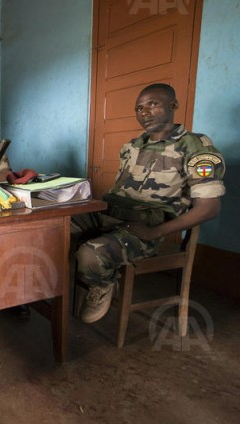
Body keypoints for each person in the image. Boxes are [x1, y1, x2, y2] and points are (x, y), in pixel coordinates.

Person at [74, 83, 226, 324]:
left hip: (146, 228)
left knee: (91, 253)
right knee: (54, 230)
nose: (144, 112)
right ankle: (53, 295)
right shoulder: (132, 147)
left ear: (173, 105)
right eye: (139, 108)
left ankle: (102, 284)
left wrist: (154, 232)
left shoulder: (195, 146)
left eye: (153, 104)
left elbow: (209, 207)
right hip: (110, 216)